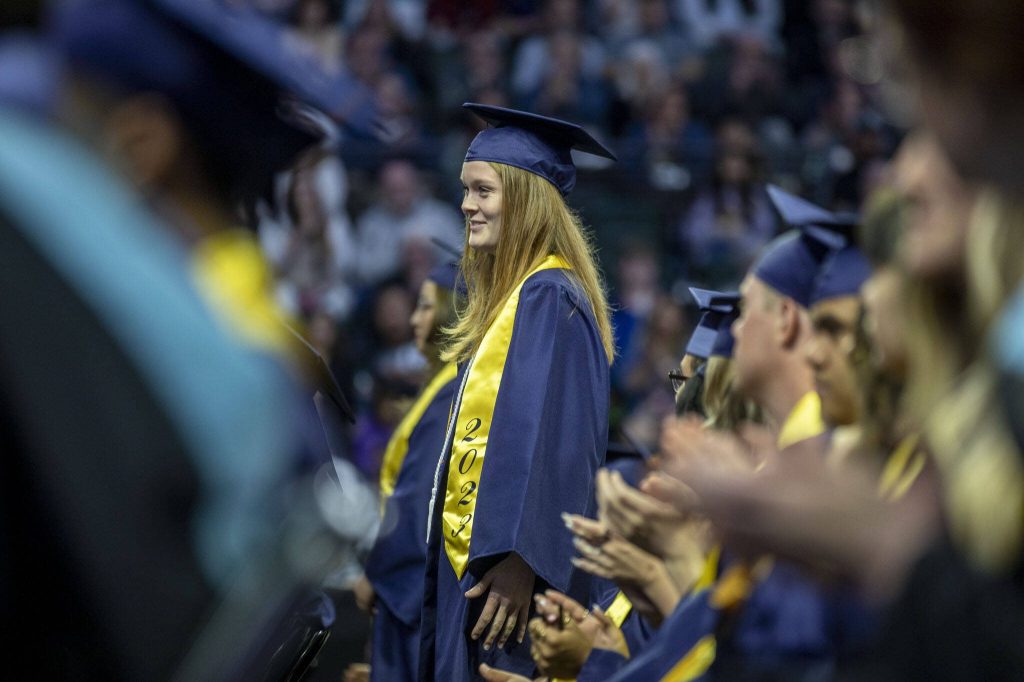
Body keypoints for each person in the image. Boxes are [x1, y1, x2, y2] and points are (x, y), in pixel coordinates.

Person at [419, 102, 616, 681]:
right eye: (466, 191)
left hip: (511, 583)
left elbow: (561, 443)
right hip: (484, 566)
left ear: (526, 200)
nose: (466, 206)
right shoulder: (517, 301)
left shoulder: (550, 298)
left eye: (483, 191)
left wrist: (521, 558)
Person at [352, 261, 463, 681]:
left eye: (425, 307)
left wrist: (378, 573)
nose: (415, 319)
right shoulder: (438, 388)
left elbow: (421, 504)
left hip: (411, 590)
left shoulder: (449, 394)